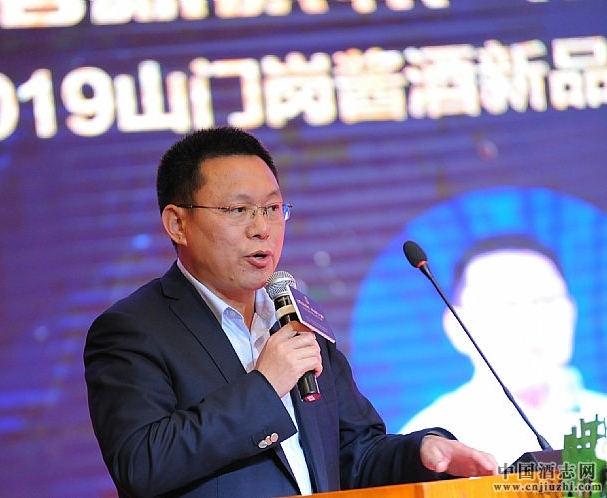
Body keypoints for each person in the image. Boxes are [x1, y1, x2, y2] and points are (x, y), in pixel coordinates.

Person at [83, 126, 497, 498]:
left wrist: (421, 452)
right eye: (238, 210)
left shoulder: (295, 318)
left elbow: (354, 453)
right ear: (177, 224)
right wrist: (265, 386)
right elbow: (141, 465)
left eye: (271, 208)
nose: (262, 228)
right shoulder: (132, 330)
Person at [400, 234, 607, 466]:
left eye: (545, 301)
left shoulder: (601, 412)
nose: (531, 321)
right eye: (507, 306)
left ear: (572, 310)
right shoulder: (435, 443)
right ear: (455, 326)